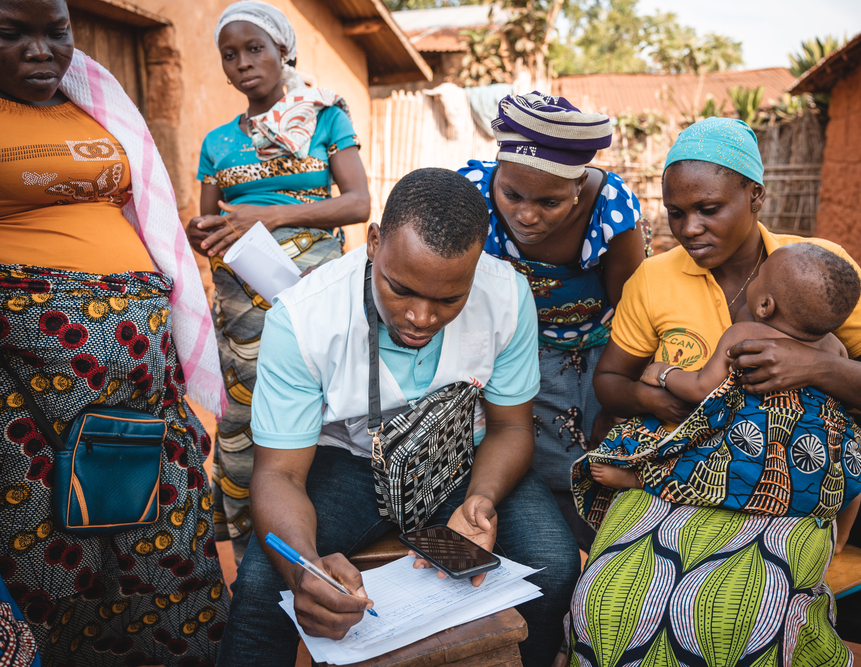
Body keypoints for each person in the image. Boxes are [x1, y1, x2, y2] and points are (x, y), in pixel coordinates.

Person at [563, 117, 861, 665]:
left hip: (788, 490)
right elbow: (611, 382)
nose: (689, 228)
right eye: (676, 212)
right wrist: (658, 394)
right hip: (677, 476)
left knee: (743, 611)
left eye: (709, 209)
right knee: (607, 600)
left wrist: (812, 366)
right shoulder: (654, 279)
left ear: (755, 196)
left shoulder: (811, 268)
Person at [217, 168, 579, 667]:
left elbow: (511, 427)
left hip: (461, 461)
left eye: (450, 298)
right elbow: (278, 472)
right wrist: (304, 568)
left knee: (555, 565)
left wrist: (481, 499)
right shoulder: (303, 318)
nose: (422, 317)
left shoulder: (507, 295)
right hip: (351, 463)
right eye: (401, 289)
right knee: (264, 585)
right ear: (373, 243)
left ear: (476, 269)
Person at [0, 1, 230, 664]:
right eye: (14, 35)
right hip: (29, 382)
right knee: (51, 534)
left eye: (57, 32)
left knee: (161, 525)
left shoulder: (92, 98)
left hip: (139, 367)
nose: (42, 52)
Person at [187, 1, 371, 562]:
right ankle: (254, 551)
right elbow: (208, 223)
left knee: (324, 407)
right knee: (245, 415)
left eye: (255, 48)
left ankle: (330, 528)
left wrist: (269, 216)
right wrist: (204, 233)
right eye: (229, 54)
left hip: (314, 287)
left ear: (283, 51)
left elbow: (358, 204)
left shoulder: (326, 118)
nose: (242, 63)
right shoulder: (217, 142)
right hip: (244, 298)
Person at [581, 243, 861, 556]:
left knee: (696, 460)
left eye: (758, 278)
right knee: (855, 470)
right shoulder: (836, 348)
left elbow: (701, 388)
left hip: (750, 452)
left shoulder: (744, 333)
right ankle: (839, 538)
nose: (751, 282)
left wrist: (664, 373)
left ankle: (641, 479)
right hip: (814, 462)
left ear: (765, 306)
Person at [458, 92, 648, 550]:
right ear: (495, 173)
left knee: (601, 461)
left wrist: (616, 400)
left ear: (579, 188)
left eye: (549, 202)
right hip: (513, 349)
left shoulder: (610, 208)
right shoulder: (470, 194)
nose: (526, 214)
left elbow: (634, 311)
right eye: (512, 194)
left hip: (599, 349)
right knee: (520, 456)